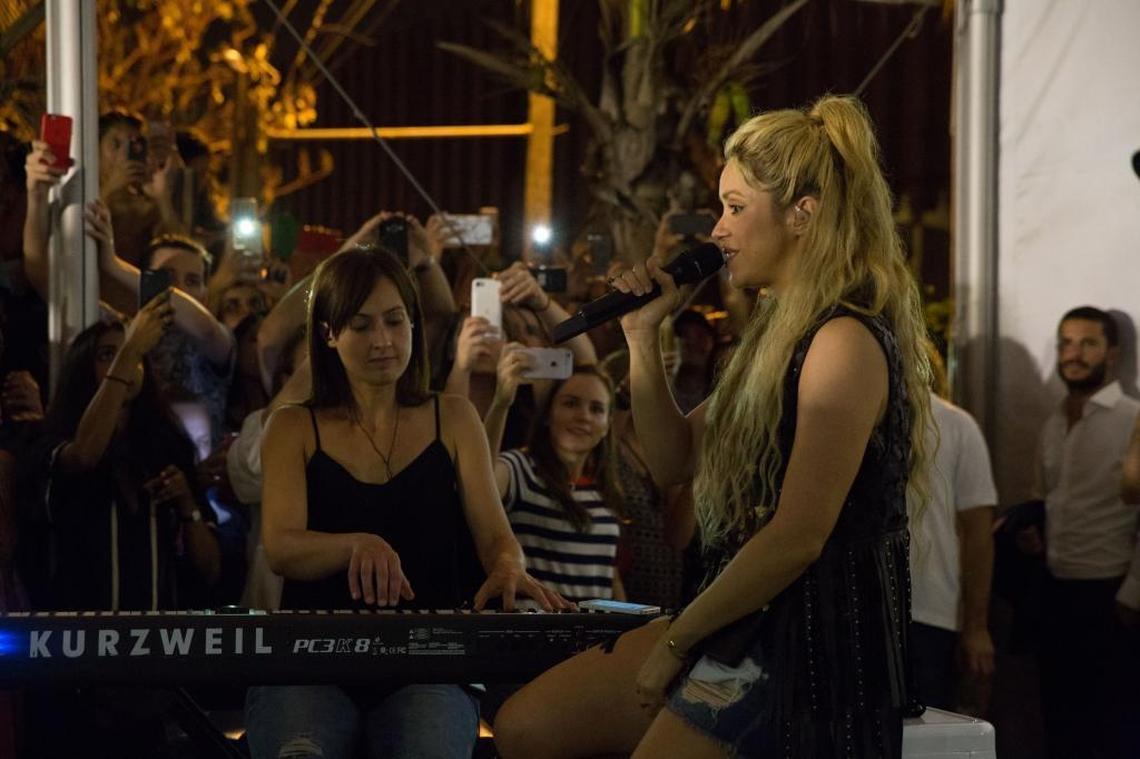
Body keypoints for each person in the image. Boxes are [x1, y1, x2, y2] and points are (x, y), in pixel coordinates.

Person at [493, 94, 932, 759]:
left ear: (801, 216)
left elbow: (798, 535)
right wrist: (642, 337)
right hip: (736, 617)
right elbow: (672, 461)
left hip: (800, 640)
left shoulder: (843, 340)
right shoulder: (773, 335)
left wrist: (677, 641)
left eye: (734, 208)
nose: (718, 231)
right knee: (525, 727)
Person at [247, 245, 568, 759]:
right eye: (361, 325)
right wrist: (358, 544)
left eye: (395, 322)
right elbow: (282, 546)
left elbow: (495, 537)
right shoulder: (292, 426)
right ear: (328, 334)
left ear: (415, 327)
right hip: (312, 663)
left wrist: (508, 567)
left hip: (429, 664)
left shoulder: (456, 418)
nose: (383, 341)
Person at [1021, 305, 1140, 759]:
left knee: (1111, 729)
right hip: (1055, 593)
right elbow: (1043, 499)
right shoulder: (1052, 423)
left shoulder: (1131, 419)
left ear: (1111, 353)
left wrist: (1132, 595)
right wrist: (1033, 537)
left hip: (1109, 597)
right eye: (1066, 343)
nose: (1074, 354)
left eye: (1087, 343)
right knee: (1059, 723)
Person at [485, 358, 625, 602]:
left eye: (596, 409)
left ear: (607, 425)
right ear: (548, 413)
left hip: (597, 635)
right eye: (571, 403)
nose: (584, 416)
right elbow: (480, 484)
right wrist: (501, 404)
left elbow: (609, 576)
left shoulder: (604, 486)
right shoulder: (520, 468)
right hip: (532, 633)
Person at [908, 344, 996, 712]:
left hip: (931, 610)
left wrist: (976, 625)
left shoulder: (954, 424)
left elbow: (978, 532)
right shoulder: (846, 418)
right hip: (860, 611)